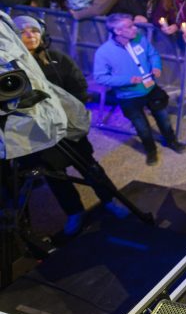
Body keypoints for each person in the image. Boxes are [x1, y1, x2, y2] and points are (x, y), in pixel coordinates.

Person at [15, 16, 129, 235]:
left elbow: (79, 88)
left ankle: (110, 200)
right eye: (23, 32)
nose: (30, 36)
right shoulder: (12, 69)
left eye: (34, 31)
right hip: (40, 137)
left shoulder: (58, 59)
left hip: (69, 131)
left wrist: (69, 115)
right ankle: (74, 212)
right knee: (55, 176)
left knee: (90, 168)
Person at [92, 13, 186, 164]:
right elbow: (100, 77)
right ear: (118, 31)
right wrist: (127, 80)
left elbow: (153, 54)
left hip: (151, 89)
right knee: (141, 126)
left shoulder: (140, 38)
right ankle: (151, 151)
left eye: (133, 24)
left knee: (163, 118)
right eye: (129, 26)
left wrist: (156, 66)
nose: (134, 28)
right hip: (128, 96)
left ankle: (171, 141)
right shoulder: (104, 53)